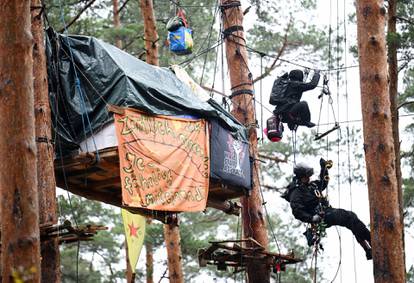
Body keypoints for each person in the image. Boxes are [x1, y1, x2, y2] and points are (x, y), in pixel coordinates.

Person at [282, 159, 372, 260]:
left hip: (327, 211)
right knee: (349, 216)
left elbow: (323, 183)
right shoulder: (296, 192)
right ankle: (372, 240)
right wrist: (312, 218)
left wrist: (324, 168)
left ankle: (368, 250)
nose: (309, 178)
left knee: (352, 220)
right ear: (301, 176)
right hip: (320, 217)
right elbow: (297, 211)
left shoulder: (311, 185)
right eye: (306, 176)